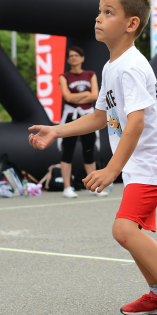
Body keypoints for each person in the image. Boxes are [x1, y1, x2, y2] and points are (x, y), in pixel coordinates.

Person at [29, 0, 157, 315]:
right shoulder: (113, 66)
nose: (98, 17)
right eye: (99, 10)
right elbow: (99, 117)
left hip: (152, 162)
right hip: (140, 163)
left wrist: (111, 169)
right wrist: (56, 131)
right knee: (132, 231)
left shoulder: (130, 67)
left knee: (124, 230)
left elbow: (137, 122)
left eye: (108, 12)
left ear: (131, 23)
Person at [57, 45, 100, 199]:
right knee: (67, 151)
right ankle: (67, 187)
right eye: (71, 56)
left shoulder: (91, 75)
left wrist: (80, 96)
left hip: (88, 116)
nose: (73, 57)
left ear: (82, 58)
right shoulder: (64, 77)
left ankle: (93, 186)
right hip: (71, 116)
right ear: (68, 60)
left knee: (89, 151)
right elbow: (67, 98)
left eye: (76, 55)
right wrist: (86, 94)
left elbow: (95, 95)